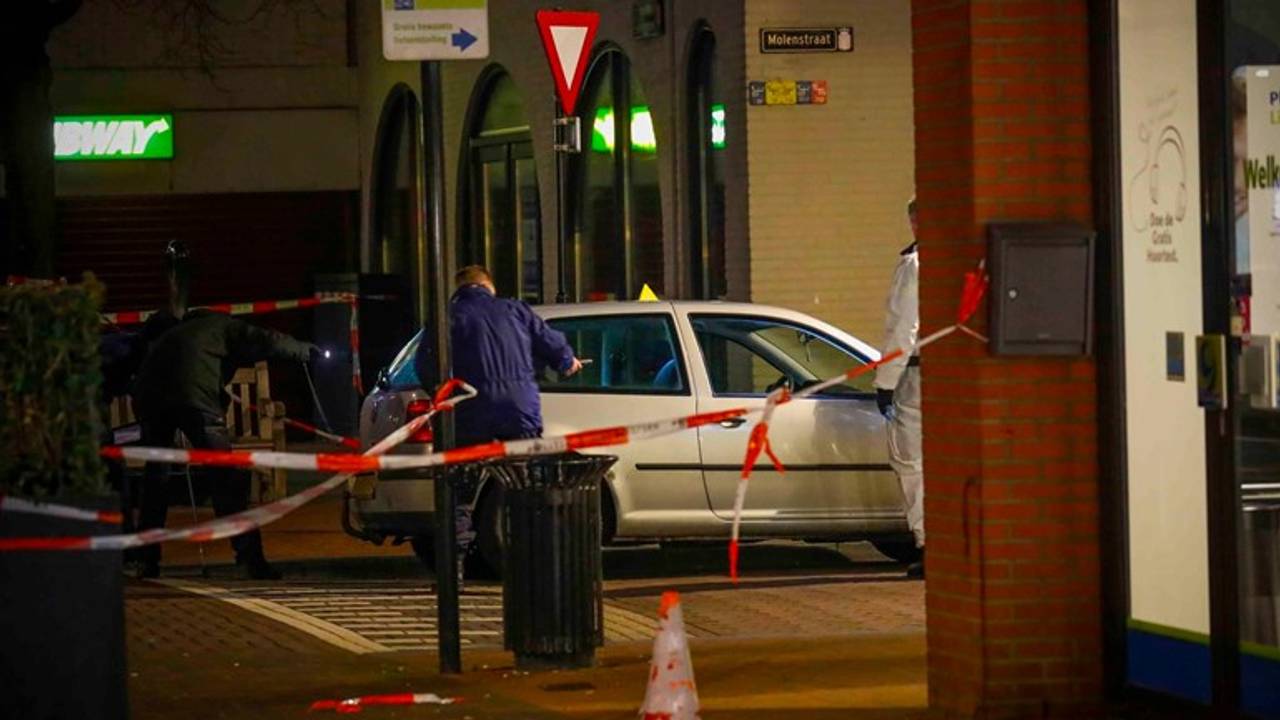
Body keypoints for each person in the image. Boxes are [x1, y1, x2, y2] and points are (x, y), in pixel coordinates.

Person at [131, 306, 319, 580]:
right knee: (226, 479)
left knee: (155, 482)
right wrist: (303, 351)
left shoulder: (176, 333)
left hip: (151, 401)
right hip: (196, 400)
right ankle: (250, 558)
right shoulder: (221, 325)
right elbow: (265, 339)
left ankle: (146, 561)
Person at [416, 266, 582, 573]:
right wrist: (567, 362)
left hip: (468, 413)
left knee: (460, 492)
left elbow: (424, 364)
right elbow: (552, 344)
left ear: (459, 289)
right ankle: (529, 561)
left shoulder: (447, 318)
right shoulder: (515, 310)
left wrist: (443, 395)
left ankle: (455, 567)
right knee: (524, 485)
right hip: (518, 414)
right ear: (488, 286)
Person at [874, 196, 924, 579]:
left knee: (910, 462)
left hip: (915, 378)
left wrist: (886, 383)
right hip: (945, 376)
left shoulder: (914, 266)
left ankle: (928, 543)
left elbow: (903, 329)